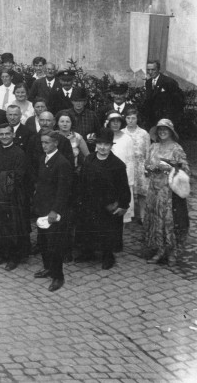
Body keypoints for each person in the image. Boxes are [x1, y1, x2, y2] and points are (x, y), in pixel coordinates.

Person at [77, 128, 131, 270]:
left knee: (107, 231)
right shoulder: (89, 159)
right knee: (88, 228)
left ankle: (108, 256)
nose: (102, 147)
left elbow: (123, 188)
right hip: (89, 202)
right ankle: (88, 252)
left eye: (106, 144)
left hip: (108, 204)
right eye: (100, 144)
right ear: (96, 144)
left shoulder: (117, 165)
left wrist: (123, 204)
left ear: (111, 146)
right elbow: (82, 180)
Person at [141, 119, 190, 265]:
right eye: (160, 129)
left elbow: (186, 170)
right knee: (156, 221)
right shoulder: (153, 147)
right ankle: (159, 250)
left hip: (169, 192)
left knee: (169, 221)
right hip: (154, 190)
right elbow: (146, 166)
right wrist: (150, 168)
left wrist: (169, 168)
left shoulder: (176, 148)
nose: (162, 132)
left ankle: (172, 252)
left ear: (171, 132)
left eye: (165, 129)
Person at [32, 131, 74, 292]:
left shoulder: (62, 163)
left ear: (55, 143)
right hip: (42, 208)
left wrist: (54, 211)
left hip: (53, 211)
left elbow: (63, 191)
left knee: (54, 244)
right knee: (43, 242)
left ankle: (58, 276)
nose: (44, 146)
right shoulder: (43, 159)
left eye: (47, 143)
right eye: (42, 143)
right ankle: (48, 268)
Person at [0, 123, 29, 271]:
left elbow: (17, 176)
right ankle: (1, 254)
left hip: (13, 196)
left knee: (13, 228)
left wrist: (1, 187)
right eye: (1, 134)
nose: (4, 137)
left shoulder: (19, 152)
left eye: (7, 134)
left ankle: (13, 257)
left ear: (13, 135)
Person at [122, 106, 150, 224]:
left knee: (142, 192)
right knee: (127, 190)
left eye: (133, 118)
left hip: (140, 165)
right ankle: (127, 215)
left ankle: (142, 215)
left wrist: (148, 166)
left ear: (137, 119)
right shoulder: (122, 132)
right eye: (128, 118)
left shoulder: (144, 133)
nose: (131, 120)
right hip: (127, 165)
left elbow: (148, 151)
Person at [142, 61, 184, 127]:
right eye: (148, 70)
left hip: (166, 119)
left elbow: (179, 101)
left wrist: (172, 117)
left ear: (159, 69)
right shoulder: (148, 82)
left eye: (153, 70)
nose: (150, 72)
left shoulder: (168, 82)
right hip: (152, 119)